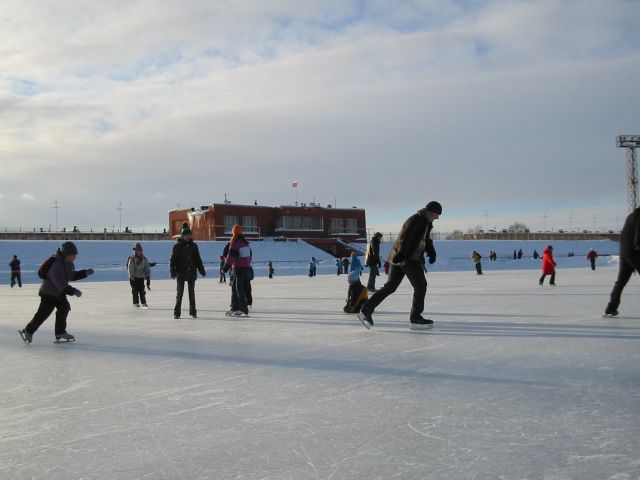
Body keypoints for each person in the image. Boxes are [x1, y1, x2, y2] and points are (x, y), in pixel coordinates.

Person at [357, 201, 442, 330]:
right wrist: (402, 254)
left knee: (390, 287)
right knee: (420, 286)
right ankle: (416, 318)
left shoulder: (426, 222)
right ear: (431, 211)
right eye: (437, 214)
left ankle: (366, 309)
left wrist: (431, 251)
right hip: (408, 259)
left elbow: (425, 239)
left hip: (400, 258)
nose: (438, 217)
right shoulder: (416, 219)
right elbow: (405, 237)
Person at [19, 242, 94, 344]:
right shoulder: (56, 265)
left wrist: (85, 273)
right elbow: (60, 283)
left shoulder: (68, 263)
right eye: (73, 255)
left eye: (75, 255)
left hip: (58, 293)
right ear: (65, 254)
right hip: (49, 294)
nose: (75, 257)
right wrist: (73, 291)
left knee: (64, 308)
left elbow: (71, 276)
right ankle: (28, 330)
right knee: (43, 314)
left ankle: (60, 332)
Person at [604, 208, 640, 316]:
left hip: (624, 254)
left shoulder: (631, 216)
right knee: (620, 282)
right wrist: (638, 246)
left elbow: (624, 235)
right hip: (634, 253)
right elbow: (638, 233)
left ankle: (611, 308)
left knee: (620, 282)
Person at [170, 222, 206, 319]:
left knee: (191, 293)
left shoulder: (194, 246)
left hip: (191, 273)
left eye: (189, 235)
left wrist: (201, 270)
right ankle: (176, 313)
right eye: (186, 235)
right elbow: (173, 260)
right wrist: (172, 271)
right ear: (182, 235)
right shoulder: (177, 246)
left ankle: (193, 312)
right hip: (181, 273)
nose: (188, 237)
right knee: (180, 293)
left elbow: (198, 259)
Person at [223, 225, 253, 317]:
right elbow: (250, 257)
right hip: (245, 269)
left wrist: (225, 268)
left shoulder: (235, 244)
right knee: (234, 288)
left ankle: (243, 309)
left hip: (238, 269)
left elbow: (231, 257)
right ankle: (234, 308)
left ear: (234, 233)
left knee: (238, 289)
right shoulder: (246, 243)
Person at [127, 243, 151, 308]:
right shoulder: (132, 259)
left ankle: (144, 302)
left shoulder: (144, 259)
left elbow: (147, 267)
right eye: (138, 251)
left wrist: (147, 273)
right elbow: (130, 268)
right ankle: (136, 302)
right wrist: (131, 276)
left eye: (141, 251)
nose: (140, 252)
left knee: (142, 290)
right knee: (135, 290)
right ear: (136, 251)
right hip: (134, 277)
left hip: (141, 277)